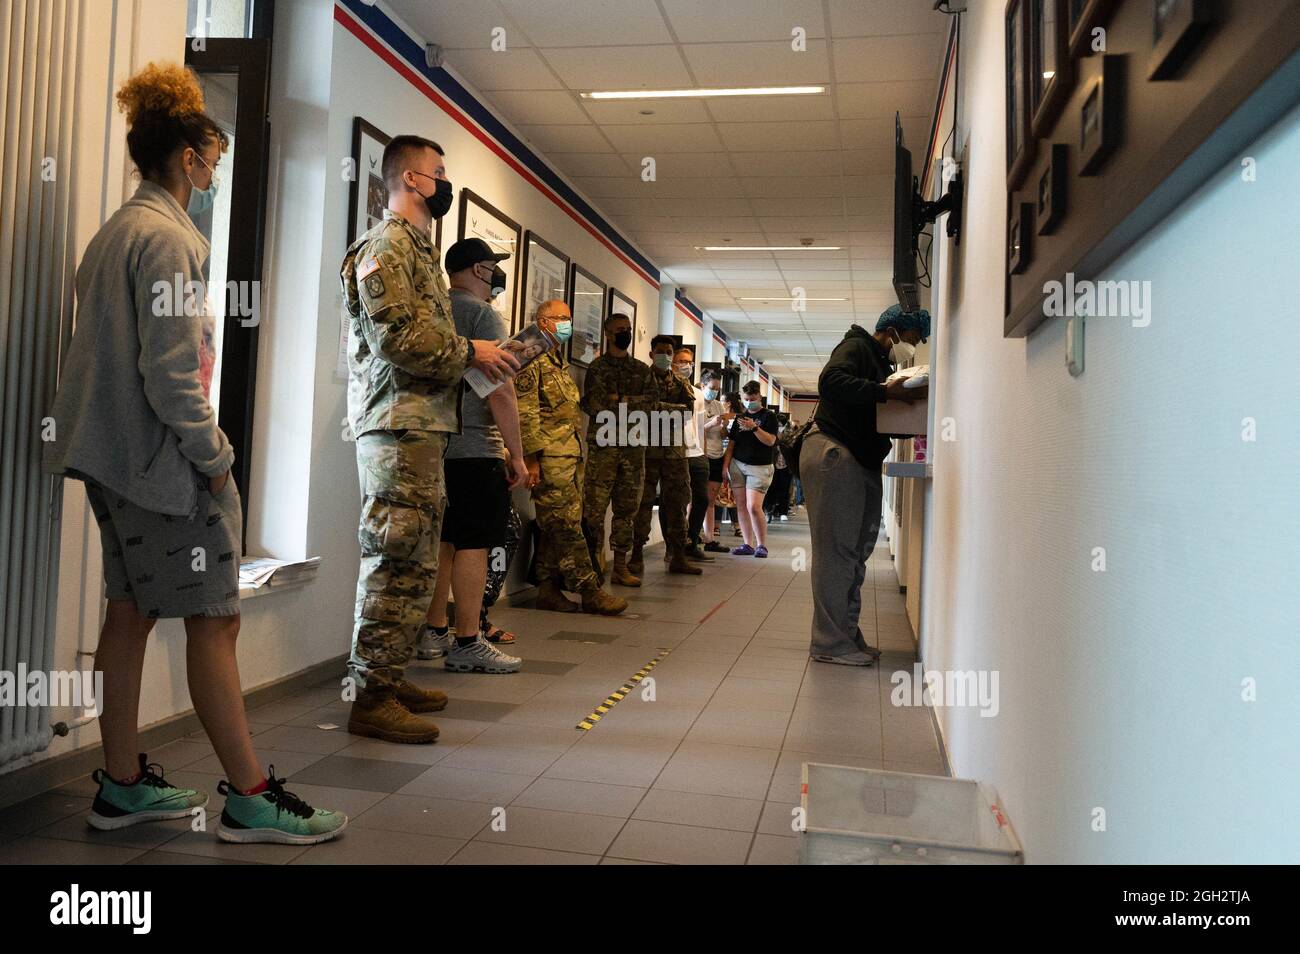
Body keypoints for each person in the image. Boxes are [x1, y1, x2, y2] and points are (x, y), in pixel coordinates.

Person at [42, 63, 344, 843]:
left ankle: (121, 784)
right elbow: (174, 375)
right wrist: (215, 456)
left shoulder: (117, 231)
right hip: (156, 466)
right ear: (188, 156)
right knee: (215, 621)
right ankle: (249, 797)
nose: (215, 169)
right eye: (213, 155)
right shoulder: (167, 240)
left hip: (109, 459)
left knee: (131, 610)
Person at [341, 134, 521, 741]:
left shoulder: (418, 249)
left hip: (422, 428)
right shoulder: (387, 246)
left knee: (416, 562)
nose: (444, 182)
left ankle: (387, 679)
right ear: (413, 180)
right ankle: (369, 697)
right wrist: (474, 349)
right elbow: (396, 339)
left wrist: (477, 361)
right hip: (397, 428)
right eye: (438, 172)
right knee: (393, 560)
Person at [416, 238, 530, 672]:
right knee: (475, 544)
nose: (494, 275)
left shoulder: (430, 311)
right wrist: (516, 454)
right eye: (490, 267)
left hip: (433, 446)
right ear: (477, 270)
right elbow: (501, 390)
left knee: (443, 541)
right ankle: (468, 640)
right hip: (475, 448)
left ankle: (433, 633)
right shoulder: (483, 315)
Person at [803, 305, 929, 666]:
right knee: (837, 554)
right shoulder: (856, 346)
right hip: (834, 453)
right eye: (911, 339)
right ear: (890, 330)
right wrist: (884, 392)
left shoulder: (879, 362)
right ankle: (828, 643)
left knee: (855, 553)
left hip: (857, 456)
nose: (912, 347)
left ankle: (846, 634)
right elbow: (830, 382)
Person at [516, 300, 629, 615]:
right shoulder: (530, 359)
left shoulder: (555, 359)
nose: (567, 324)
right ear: (542, 321)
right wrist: (532, 460)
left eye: (569, 317)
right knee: (567, 526)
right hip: (549, 459)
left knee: (555, 525)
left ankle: (548, 589)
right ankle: (590, 591)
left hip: (569, 458)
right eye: (560, 318)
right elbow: (526, 413)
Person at [580, 313, 656, 587]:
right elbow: (595, 405)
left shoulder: (642, 370)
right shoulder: (597, 368)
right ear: (608, 334)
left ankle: (620, 567)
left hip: (633, 450)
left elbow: (651, 407)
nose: (625, 333)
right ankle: (593, 567)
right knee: (594, 511)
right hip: (603, 449)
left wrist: (620, 401)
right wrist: (630, 403)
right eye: (620, 329)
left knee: (627, 511)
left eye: (628, 329)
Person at [630, 335, 701, 577]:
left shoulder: (681, 384)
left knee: (678, 503)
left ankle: (678, 555)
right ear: (651, 354)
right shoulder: (640, 379)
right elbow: (639, 410)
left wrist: (658, 408)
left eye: (668, 351)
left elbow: (688, 413)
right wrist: (668, 410)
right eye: (660, 351)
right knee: (642, 503)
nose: (665, 355)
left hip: (674, 452)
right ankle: (636, 554)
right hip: (646, 451)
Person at [721, 381, 779, 558]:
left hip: (760, 467)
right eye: (746, 399)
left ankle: (762, 545)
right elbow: (731, 445)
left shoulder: (769, 417)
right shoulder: (739, 418)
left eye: (752, 399)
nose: (749, 402)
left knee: (753, 506)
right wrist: (725, 466)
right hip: (737, 464)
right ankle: (747, 543)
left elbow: (770, 441)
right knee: (741, 506)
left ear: (759, 397)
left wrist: (754, 427)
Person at [677, 347, 715, 563]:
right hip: (673, 452)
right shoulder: (663, 388)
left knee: (701, 498)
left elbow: (700, 426)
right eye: (681, 361)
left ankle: (692, 540)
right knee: (674, 502)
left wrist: (704, 454)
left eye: (689, 362)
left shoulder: (697, 393)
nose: (686, 365)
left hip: (696, 452)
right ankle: (675, 546)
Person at [698, 369, 729, 552]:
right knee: (696, 499)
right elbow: (694, 429)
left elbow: (723, 433)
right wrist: (711, 423)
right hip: (701, 454)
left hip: (717, 454)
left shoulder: (718, 405)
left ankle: (709, 538)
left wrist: (725, 426)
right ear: (703, 386)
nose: (714, 391)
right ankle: (692, 536)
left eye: (717, 388)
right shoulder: (696, 403)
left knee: (711, 499)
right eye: (712, 388)